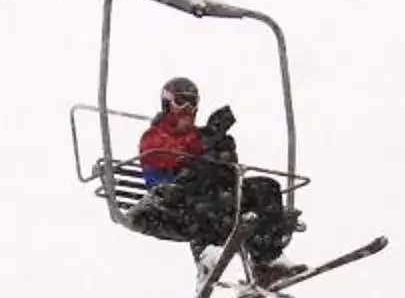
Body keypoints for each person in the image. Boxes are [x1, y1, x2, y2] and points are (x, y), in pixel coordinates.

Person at [129, 76, 301, 286]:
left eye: (193, 102)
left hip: (217, 196)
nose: (187, 108)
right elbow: (173, 155)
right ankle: (206, 257)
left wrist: (223, 148)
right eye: (181, 101)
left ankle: (267, 262)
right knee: (201, 175)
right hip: (174, 199)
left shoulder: (200, 136)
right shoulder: (154, 135)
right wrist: (209, 137)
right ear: (167, 103)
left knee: (266, 186)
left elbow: (224, 168)